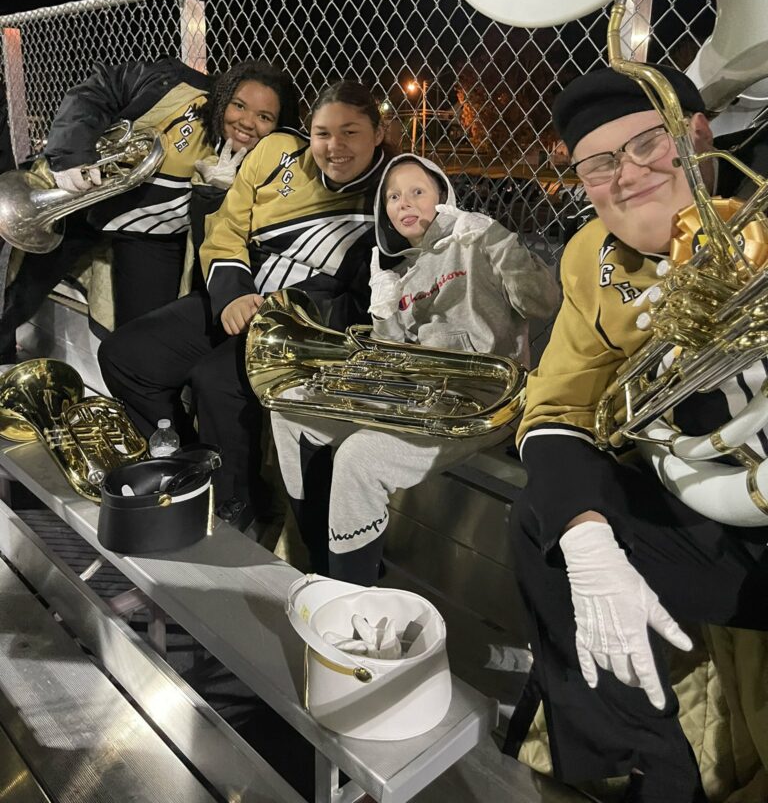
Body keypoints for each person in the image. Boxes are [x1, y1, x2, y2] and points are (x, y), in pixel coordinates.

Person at [505, 65, 768, 803]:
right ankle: (652, 766)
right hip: (710, 514)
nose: (626, 175)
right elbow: (557, 405)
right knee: (543, 526)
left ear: (698, 140)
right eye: (598, 163)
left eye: (649, 144)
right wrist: (589, 541)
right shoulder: (591, 257)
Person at [98, 80, 389, 530]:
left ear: (379, 132)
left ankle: (239, 503)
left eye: (351, 132)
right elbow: (228, 229)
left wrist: (285, 308)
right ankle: (186, 462)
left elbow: (369, 294)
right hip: (239, 295)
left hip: (304, 325)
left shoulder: (393, 191)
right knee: (125, 355)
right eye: (323, 133)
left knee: (216, 380)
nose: (334, 147)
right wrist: (233, 294)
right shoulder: (276, 152)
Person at [270, 154, 560, 584]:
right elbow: (395, 360)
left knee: (358, 457)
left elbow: (543, 302)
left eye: (417, 191)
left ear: (442, 195)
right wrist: (385, 312)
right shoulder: (400, 274)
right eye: (392, 197)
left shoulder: (476, 240)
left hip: (485, 404)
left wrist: (499, 240)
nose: (404, 203)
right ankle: (324, 556)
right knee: (289, 409)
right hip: (425, 400)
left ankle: (353, 594)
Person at [0, 57, 299, 360]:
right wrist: (71, 151)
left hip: (151, 237)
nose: (247, 122)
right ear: (224, 95)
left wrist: (213, 196)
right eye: (239, 105)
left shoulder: (270, 166)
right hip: (80, 204)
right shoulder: (176, 84)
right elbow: (100, 88)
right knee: (15, 295)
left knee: (141, 341)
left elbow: (215, 241)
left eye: (264, 116)